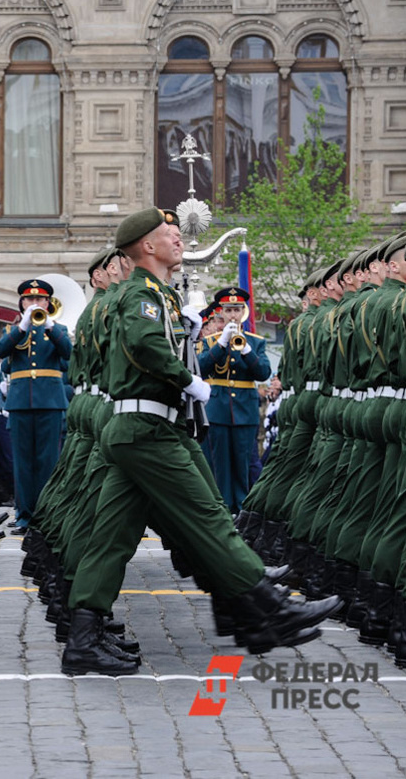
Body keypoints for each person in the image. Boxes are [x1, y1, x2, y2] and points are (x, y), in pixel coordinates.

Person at [60, 207, 341, 676]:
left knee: (111, 538)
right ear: (147, 246)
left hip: (139, 428)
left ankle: (84, 639)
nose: (178, 239)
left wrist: (187, 336)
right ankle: (266, 609)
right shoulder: (141, 294)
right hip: (148, 429)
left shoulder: (158, 294)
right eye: (169, 233)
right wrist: (187, 379)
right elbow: (144, 345)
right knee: (208, 517)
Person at [0, 279, 71, 533]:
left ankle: (47, 515)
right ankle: (24, 515)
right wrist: (21, 327)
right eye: (29, 300)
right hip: (20, 403)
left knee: (48, 461)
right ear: (22, 303)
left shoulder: (58, 329)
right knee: (23, 463)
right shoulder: (14, 332)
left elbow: (68, 353)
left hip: (50, 402)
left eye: (39, 300)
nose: (34, 303)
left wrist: (50, 326)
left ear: (48, 303)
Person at [197, 287, 271, 514]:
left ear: (243, 312)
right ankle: (223, 511)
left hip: (245, 411)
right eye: (228, 310)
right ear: (221, 312)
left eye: (236, 310)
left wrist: (247, 350)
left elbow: (263, 373)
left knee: (243, 465)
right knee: (220, 465)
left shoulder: (255, 342)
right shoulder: (211, 341)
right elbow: (200, 368)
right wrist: (221, 344)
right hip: (218, 410)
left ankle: (241, 511)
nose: (232, 315)